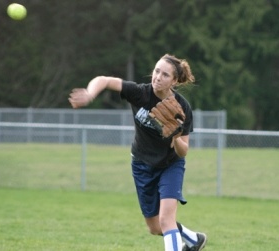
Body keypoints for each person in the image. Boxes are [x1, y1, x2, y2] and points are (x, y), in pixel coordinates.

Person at [69, 54, 207, 251]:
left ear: (174, 81)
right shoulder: (139, 93)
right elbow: (105, 80)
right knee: (155, 227)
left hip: (170, 165)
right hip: (142, 164)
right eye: (156, 71)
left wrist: (176, 136)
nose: (158, 77)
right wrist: (90, 94)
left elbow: (184, 151)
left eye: (165, 74)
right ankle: (194, 239)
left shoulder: (182, 107)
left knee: (167, 220)